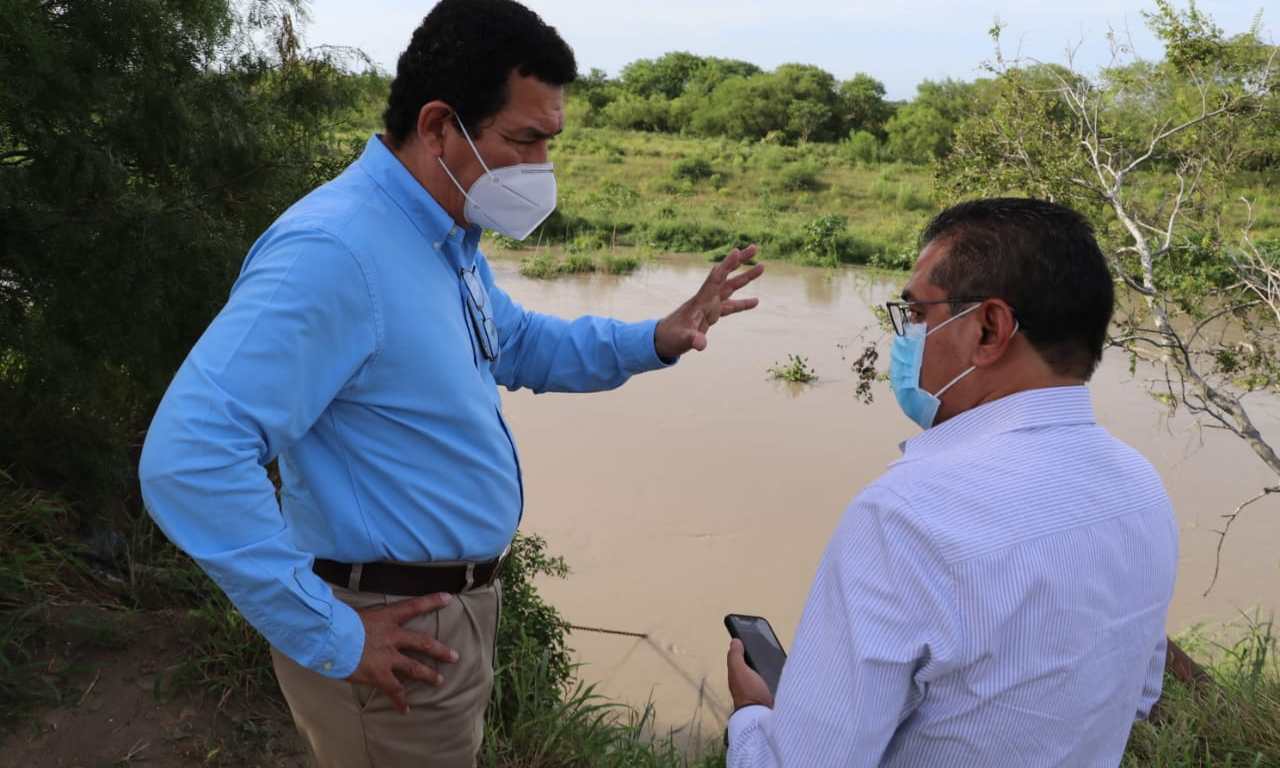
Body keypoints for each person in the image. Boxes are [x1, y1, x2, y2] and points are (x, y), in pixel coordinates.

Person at [138, 1, 763, 766]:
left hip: (445, 614)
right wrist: (330, 633)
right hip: (387, 624)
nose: (541, 167)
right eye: (523, 140)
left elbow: (518, 342)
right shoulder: (336, 252)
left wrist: (657, 337)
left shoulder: (443, 237)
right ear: (439, 126)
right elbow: (190, 455)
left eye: (551, 141)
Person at [725, 197, 1177, 767]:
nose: (906, 337)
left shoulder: (906, 514)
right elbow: (1139, 696)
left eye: (918, 314)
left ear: (989, 329)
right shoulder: (1141, 488)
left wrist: (753, 717)